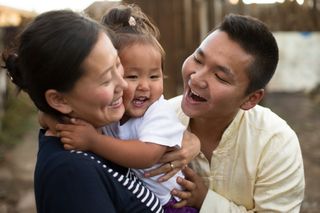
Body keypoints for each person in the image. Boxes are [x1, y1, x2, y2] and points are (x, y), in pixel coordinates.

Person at [2, 10, 166, 213]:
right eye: (106, 79)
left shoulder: (95, 131)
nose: (123, 84)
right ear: (60, 100)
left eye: (118, 65)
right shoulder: (70, 173)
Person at [147, 14, 305, 212]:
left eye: (220, 77)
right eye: (198, 59)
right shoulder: (156, 118)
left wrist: (205, 200)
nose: (196, 79)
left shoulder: (275, 143)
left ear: (251, 99)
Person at [54, 4, 199, 212]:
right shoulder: (113, 110)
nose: (144, 86)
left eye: (154, 76)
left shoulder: (158, 112)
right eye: (132, 76)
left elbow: (147, 155)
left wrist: (93, 141)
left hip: (174, 202)